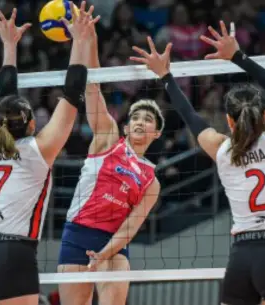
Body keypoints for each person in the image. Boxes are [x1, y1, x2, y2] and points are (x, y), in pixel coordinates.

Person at [131, 21, 265, 305]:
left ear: (228, 120)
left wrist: (166, 77)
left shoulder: (222, 150)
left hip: (241, 255)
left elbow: (191, 116)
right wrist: (238, 56)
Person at [0, 7, 97, 305]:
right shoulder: (39, 150)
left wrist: (9, 46)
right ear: (33, 123)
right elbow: (73, 92)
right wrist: (79, 39)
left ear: (1, 121)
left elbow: (5, 97)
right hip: (13, 254)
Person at [57, 3, 162, 305]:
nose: (142, 122)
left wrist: (107, 252)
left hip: (114, 244)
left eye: (150, 121)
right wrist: (89, 40)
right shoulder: (107, 139)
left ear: (156, 134)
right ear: (127, 127)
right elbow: (93, 89)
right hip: (78, 234)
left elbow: (131, 225)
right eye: (137, 118)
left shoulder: (151, 179)